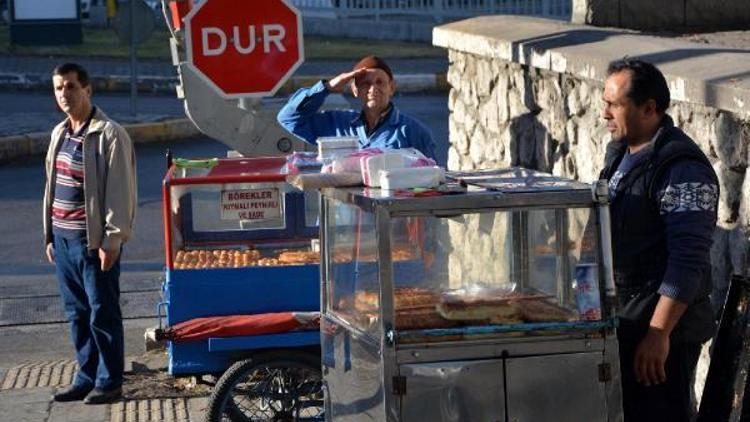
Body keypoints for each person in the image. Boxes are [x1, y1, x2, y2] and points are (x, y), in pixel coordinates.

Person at [598, 58, 718, 421]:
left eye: (614, 105)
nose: (604, 114)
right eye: (604, 102)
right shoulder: (622, 152)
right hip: (628, 318)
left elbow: (688, 261)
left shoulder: (682, 168)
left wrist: (658, 334)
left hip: (663, 334)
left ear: (649, 108)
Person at [43, 63, 137, 404]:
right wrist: (50, 236)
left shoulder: (110, 134)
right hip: (63, 240)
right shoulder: (60, 133)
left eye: (70, 86)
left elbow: (120, 192)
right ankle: (86, 376)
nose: (64, 94)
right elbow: (51, 187)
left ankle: (109, 382)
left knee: (102, 312)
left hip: (92, 242)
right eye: (58, 88)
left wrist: (112, 239)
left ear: (87, 89)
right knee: (77, 314)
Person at [277, 55, 436, 160]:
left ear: (392, 88)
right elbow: (288, 119)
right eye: (366, 84)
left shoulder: (413, 132)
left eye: (380, 82)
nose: (373, 88)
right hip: (341, 210)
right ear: (355, 90)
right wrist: (327, 88)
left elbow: (431, 180)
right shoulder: (337, 125)